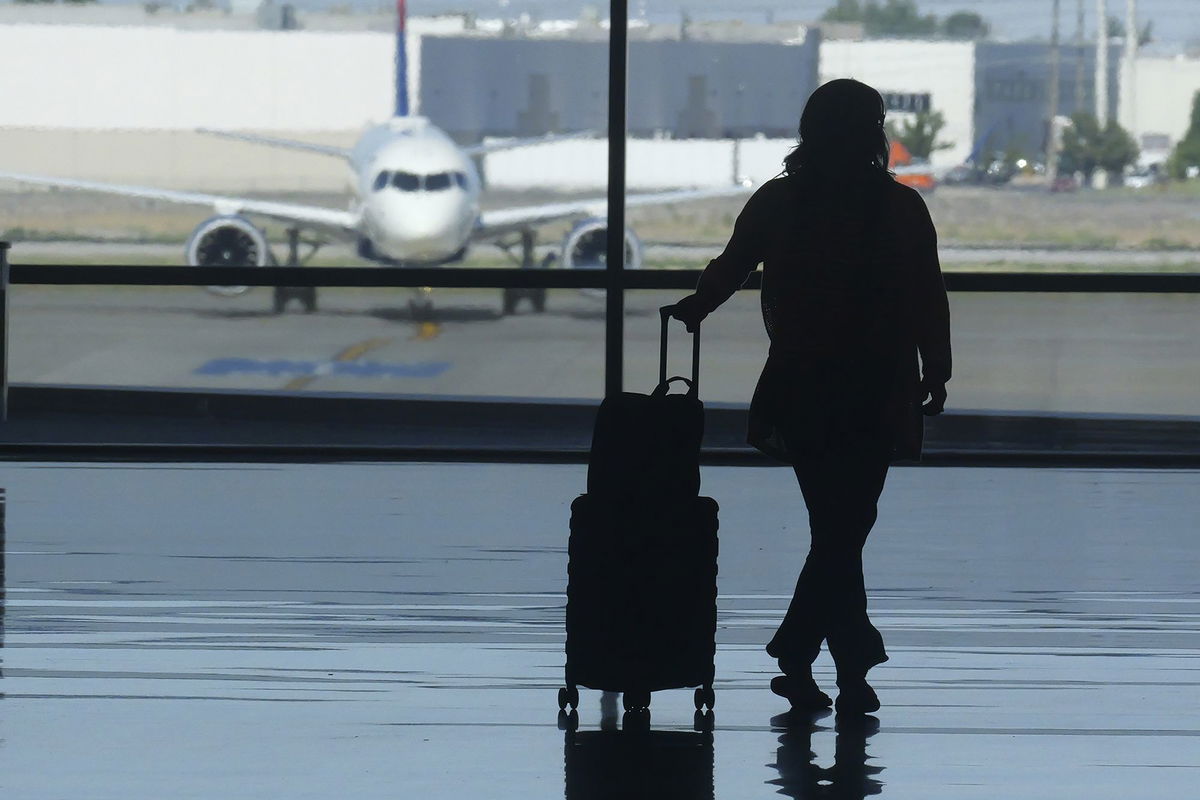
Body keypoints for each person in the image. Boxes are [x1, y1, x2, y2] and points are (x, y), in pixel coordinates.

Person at [670, 78, 951, 714]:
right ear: (873, 134)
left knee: (834, 523)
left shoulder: (780, 202)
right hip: (877, 386)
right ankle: (829, 659)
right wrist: (936, 365)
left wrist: (697, 307)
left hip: (803, 384)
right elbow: (926, 295)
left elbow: (733, 263)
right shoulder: (901, 210)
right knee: (847, 525)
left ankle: (822, 658)